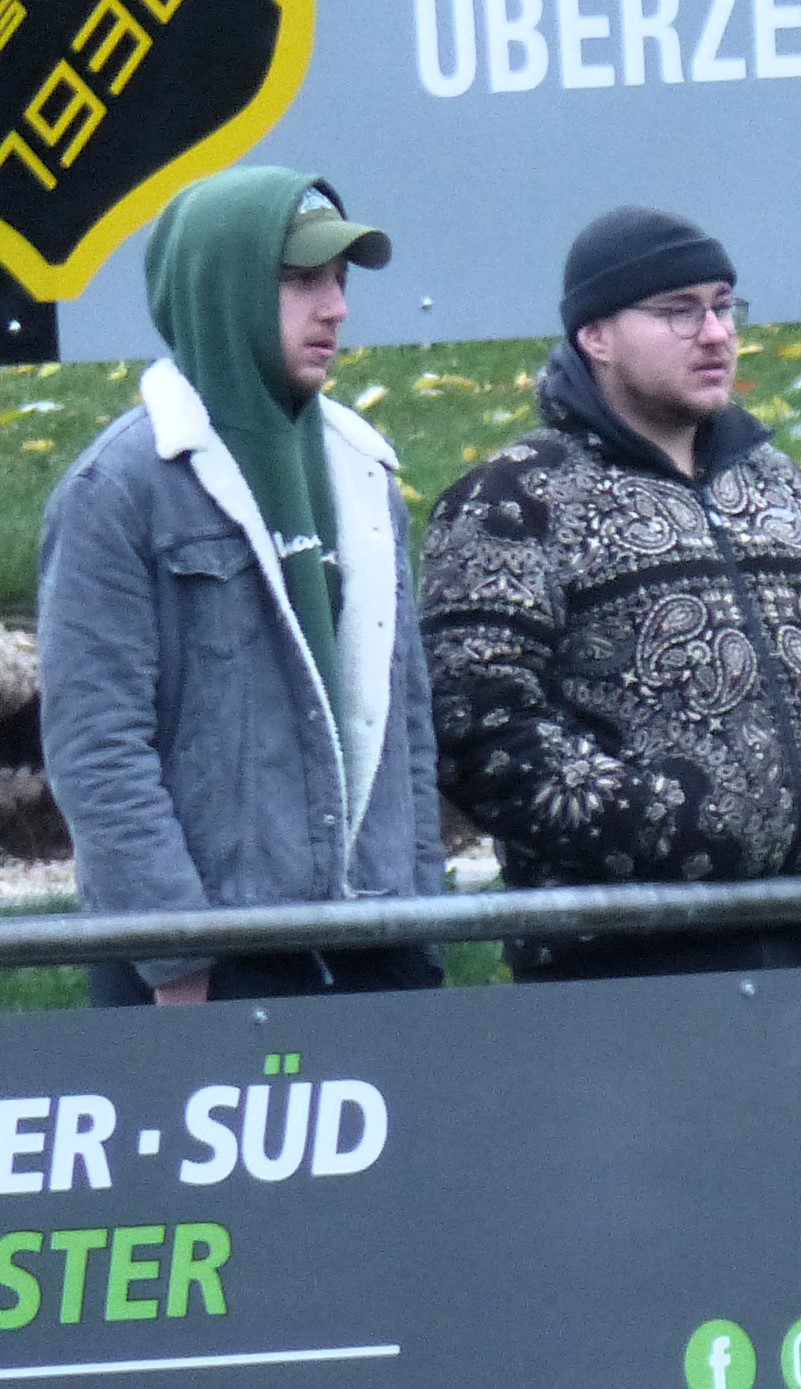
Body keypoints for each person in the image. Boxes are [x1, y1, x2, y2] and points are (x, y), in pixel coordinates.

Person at [418, 207, 801, 980]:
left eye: (724, 306)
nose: (716, 334)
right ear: (595, 335)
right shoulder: (513, 502)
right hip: (620, 967)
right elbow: (480, 726)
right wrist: (665, 825)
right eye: (678, 312)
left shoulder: (784, 489)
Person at [38, 167, 443, 1005]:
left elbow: (408, 729)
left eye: (339, 279)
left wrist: (425, 925)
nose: (335, 307)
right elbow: (98, 748)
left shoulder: (367, 471)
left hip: (378, 950)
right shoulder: (118, 489)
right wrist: (176, 959)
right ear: (222, 289)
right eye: (301, 280)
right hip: (207, 974)